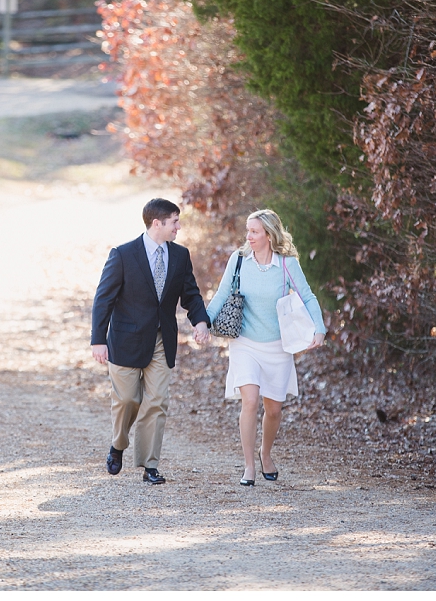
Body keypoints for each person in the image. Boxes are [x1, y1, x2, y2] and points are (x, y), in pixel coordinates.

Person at [90, 198, 211, 485]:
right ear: (157, 223)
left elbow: (191, 295)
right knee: (128, 400)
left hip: (162, 340)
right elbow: (103, 299)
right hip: (125, 340)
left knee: (157, 402)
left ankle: (150, 465)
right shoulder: (123, 254)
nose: (178, 227)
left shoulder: (180, 256)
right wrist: (98, 340)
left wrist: (201, 321)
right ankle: (118, 445)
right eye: (174, 222)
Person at [205, 209, 326, 486]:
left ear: (270, 235)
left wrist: (319, 328)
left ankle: (265, 453)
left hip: (278, 347)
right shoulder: (238, 260)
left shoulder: (286, 265)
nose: (249, 236)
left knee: (273, 410)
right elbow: (222, 294)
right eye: (248, 231)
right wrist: (204, 322)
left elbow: (307, 296)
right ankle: (248, 467)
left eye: (255, 232)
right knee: (249, 401)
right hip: (244, 343)